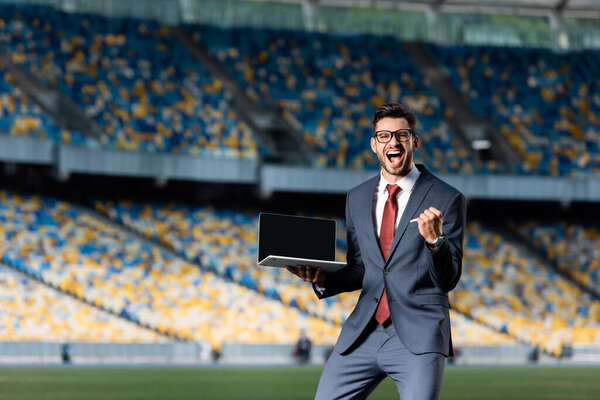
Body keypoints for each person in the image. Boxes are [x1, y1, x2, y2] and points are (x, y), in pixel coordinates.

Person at [286, 102, 466, 400]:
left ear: (414, 142)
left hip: (418, 333)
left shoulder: (448, 198)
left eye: (401, 135)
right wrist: (321, 278)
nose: (393, 142)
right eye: (384, 135)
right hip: (363, 333)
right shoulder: (356, 197)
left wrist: (436, 243)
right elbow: (362, 268)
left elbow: (448, 279)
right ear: (374, 144)